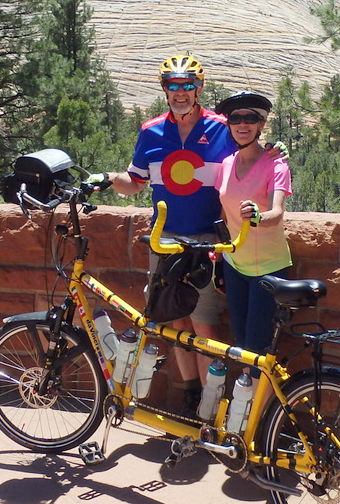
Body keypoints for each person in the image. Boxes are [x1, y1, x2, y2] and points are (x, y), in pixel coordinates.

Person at [92, 56, 281, 413]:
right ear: (164, 89)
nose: (180, 93)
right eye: (173, 86)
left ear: (200, 87)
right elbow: (135, 183)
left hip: (208, 240)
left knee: (204, 322)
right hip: (164, 239)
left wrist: (276, 151)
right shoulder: (151, 131)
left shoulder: (223, 127)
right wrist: (108, 178)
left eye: (187, 85)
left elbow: (252, 156)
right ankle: (191, 393)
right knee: (173, 319)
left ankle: (210, 407)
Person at [213, 91, 292, 373]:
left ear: (262, 124)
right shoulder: (226, 165)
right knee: (243, 344)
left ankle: (257, 415)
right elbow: (223, 215)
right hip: (235, 266)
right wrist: (219, 262)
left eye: (251, 118)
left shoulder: (276, 163)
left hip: (267, 268)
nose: (242, 124)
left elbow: (277, 213)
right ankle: (247, 413)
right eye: (236, 118)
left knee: (256, 350)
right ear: (229, 124)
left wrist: (258, 217)